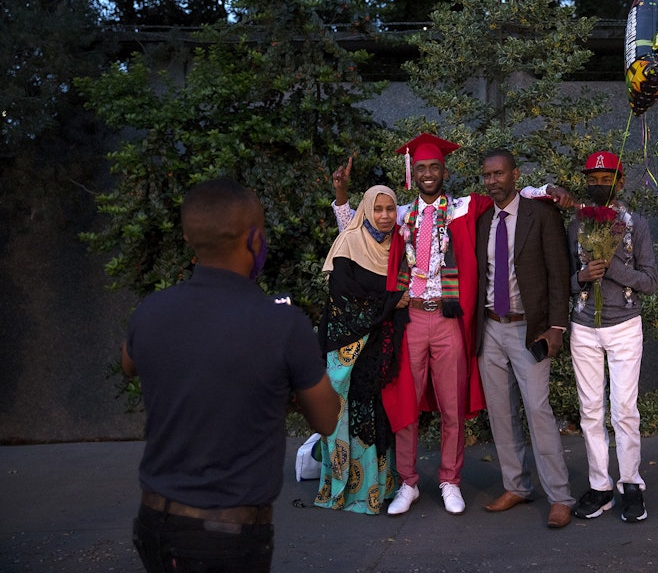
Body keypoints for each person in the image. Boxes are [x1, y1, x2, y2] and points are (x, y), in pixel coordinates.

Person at [331, 135, 573, 516]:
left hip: (449, 321)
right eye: (422, 168)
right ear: (414, 173)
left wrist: (547, 190)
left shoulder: (464, 207)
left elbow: (512, 195)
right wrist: (343, 200)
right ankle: (408, 482)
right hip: (410, 320)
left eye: (434, 168)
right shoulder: (400, 213)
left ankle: (450, 480)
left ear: (445, 171)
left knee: (451, 405)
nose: (428, 174)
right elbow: (360, 231)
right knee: (407, 404)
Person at [122, 177, 339, 572]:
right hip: (229, 536)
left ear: (189, 238)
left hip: (153, 521)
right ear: (255, 240)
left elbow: (128, 363)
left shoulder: (150, 311)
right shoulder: (283, 324)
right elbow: (326, 419)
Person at [474, 149, 575, 529]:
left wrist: (557, 328)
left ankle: (560, 496)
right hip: (490, 327)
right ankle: (516, 485)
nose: (492, 181)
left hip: (528, 328)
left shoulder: (542, 215)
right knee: (500, 412)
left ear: (515, 175)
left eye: (499, 174)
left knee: (537, 409)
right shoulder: (482, 219)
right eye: (487, 175)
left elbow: (558, 273)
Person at [567, 151, 658, 523]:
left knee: (624, 410)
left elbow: (650, 281)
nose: (600, 185)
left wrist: (615, 270)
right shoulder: (576, 225)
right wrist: (583, 277)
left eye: (607, 180)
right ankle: (599, 485)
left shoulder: (636, 224)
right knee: (590, 410)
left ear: (620, 182)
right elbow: (566, 282)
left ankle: (631, 483)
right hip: (584, 327)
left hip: (624, 327)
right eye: (594, 178)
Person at [314, 185, 409, 515]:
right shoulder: (349, 243)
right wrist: (391, 302)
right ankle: (346, 489)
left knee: (377, 413)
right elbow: (343, 298)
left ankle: (378, 488)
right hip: (348, 345)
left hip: (380, 347)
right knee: (349, 412)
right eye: (378, 209)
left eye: (390, 209)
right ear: (366, 210)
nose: (384, 216)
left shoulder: (397, 246)